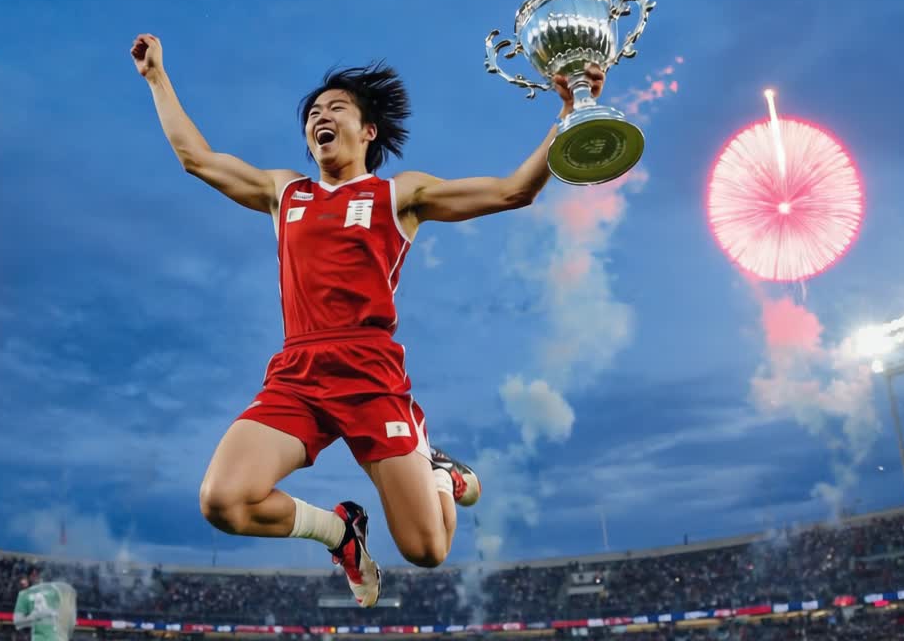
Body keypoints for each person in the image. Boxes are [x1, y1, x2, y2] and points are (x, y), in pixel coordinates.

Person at [131, 32, 603, 608]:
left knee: (427, 550)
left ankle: (438, 473)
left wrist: (570, 111)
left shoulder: (398, 195)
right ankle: (339, 532)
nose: (319, 116)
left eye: (335, 108)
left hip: (371, 374)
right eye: (312, 113)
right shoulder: (286, 193)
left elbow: (512, 192)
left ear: (367, 131)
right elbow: (196, 158)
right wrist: (157, 77)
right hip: (299, 372)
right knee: (222, 501)